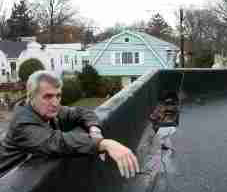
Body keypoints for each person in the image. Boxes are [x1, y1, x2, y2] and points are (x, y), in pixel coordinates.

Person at [0, 70, 140, 178]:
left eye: (58, 95)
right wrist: (103, 143)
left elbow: (82, 113)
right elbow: (56, 141)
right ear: (31, 97)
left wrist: (94, 129)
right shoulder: (22, 124)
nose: (55, 103)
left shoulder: (49, 111)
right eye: (48, 96)